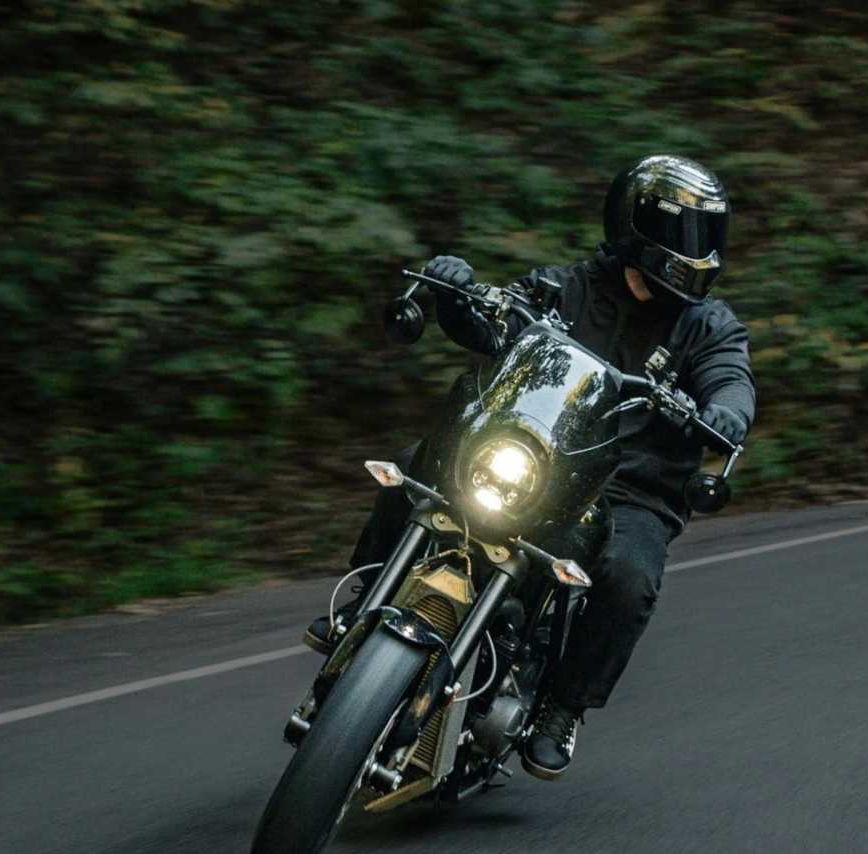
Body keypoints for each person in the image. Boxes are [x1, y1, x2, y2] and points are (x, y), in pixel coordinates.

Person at [305, 154, 756, 779]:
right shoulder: (565, 287)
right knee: (416, 464)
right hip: (540, 458)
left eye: (708, 236)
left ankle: (563, 708)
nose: (698, 251)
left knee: (629, 577)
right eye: (687, 235)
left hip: (630, 487)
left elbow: (730, 377)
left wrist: (728, 412)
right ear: (638, 226)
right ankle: (364, 597)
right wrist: (457, 293)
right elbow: (498, 324)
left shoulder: (708, 326)